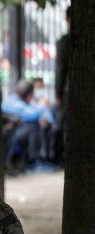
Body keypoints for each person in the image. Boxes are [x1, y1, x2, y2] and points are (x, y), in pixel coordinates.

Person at [2, 79, 55, 170]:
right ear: (29, 95)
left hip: (16, 132)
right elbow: (33, 114)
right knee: (34, 126)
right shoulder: (13, 103)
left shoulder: (19, 101)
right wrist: (43, 112)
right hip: (11, 134)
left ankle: (41, 159)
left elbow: (36, 110)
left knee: (43, 126)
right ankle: (35, 161)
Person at [54, 5, 71, 164]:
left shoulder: (64, 42)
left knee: (66, 124)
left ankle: (64, 156)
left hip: (68, 90)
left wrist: (58, 93)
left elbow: (61, 70)